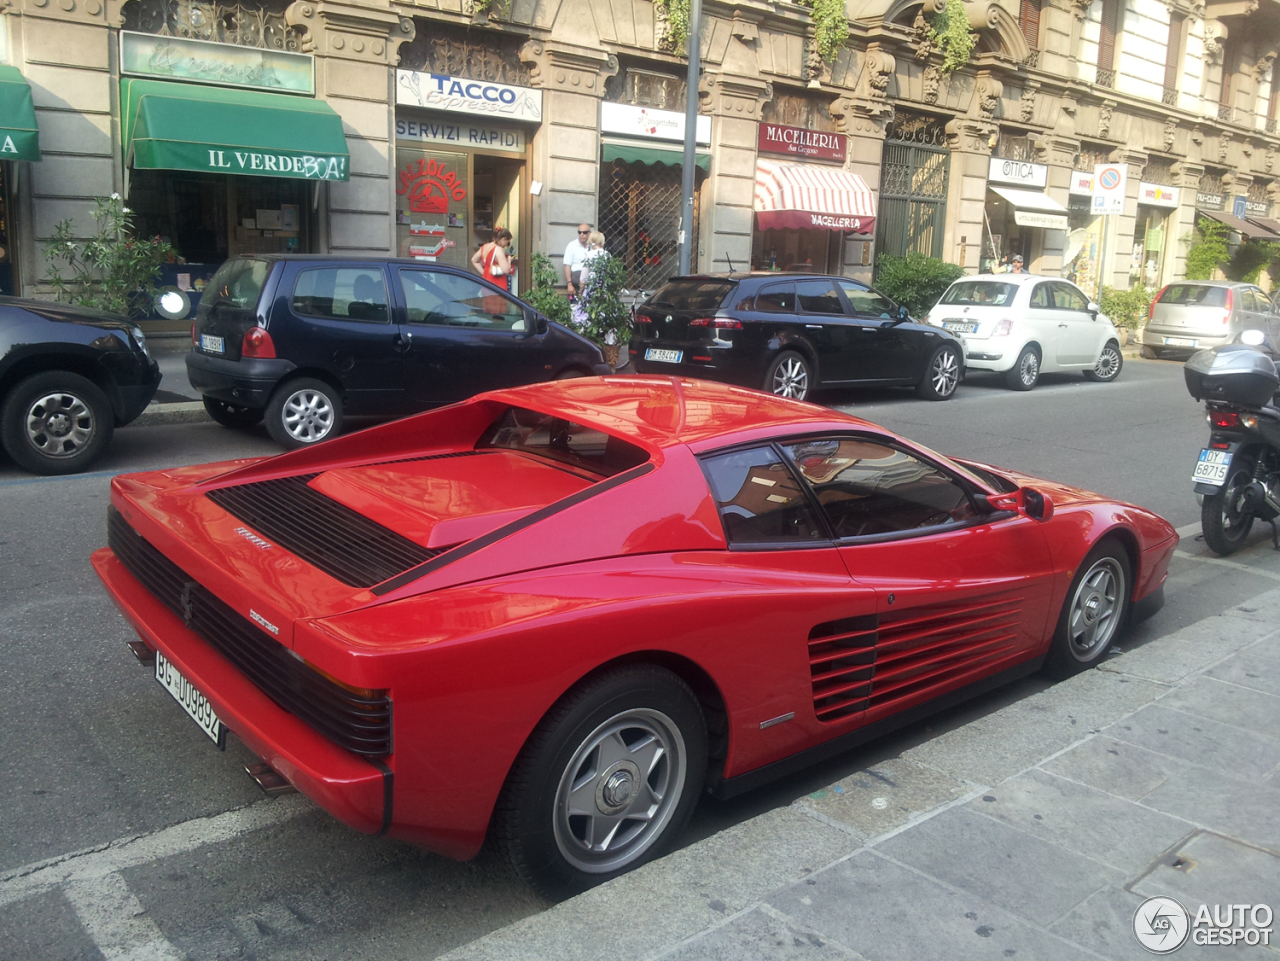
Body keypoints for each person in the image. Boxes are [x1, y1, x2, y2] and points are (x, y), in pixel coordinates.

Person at [571, 231, 607, 330]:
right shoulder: (607, 255)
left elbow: (583, 277)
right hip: (604, 290)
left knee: (584, 315)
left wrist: (581, 292)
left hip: (591, 290)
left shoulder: (590, 255)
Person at [472, 227, 514, 291]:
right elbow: (506, 270)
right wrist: (509, 260)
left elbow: (474, 260)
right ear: (503, 239)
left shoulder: (484, 247)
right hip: (497, 284)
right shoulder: (498, 249)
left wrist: (484, 273)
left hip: (486, 281)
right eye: (507, 242)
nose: (506, 245)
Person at [563, 223, 591, 299]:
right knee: (575, 308)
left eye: (584, 232)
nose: (582, 234)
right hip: (576, 284)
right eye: (579, 232)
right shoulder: (572, 245)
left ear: (589, 233)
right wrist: (569, 284)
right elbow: (567, 265)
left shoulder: (593, 246)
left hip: (590, 283)